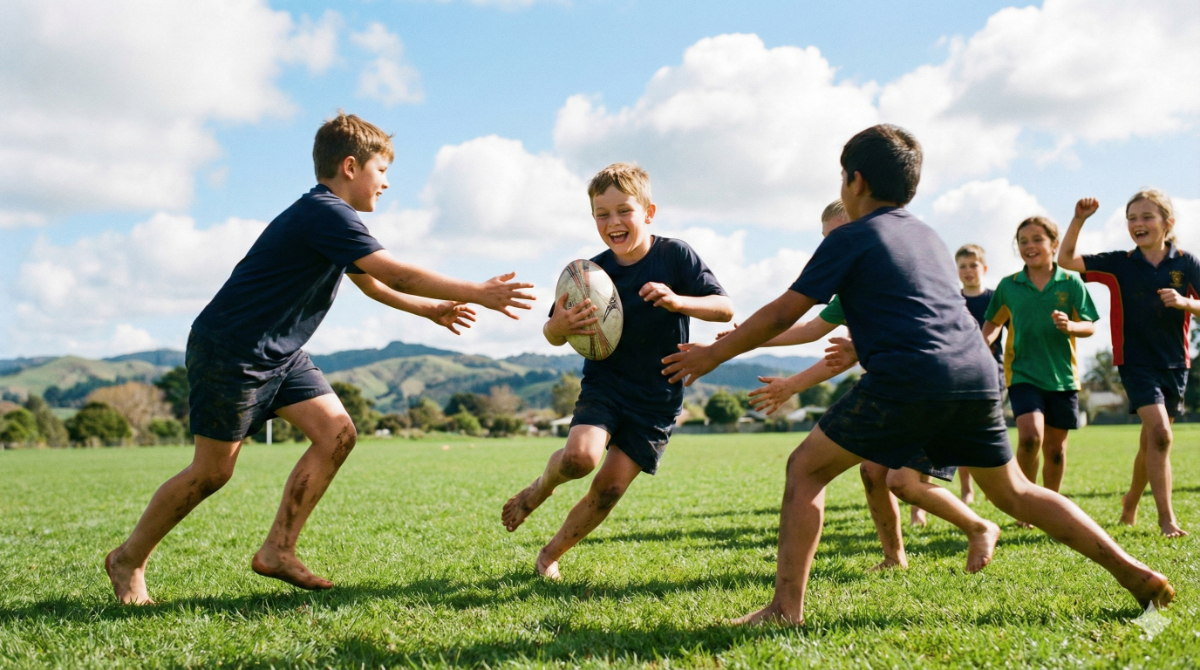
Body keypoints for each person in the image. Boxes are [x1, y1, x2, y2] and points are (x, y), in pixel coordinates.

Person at [663, 124, 1172, 625]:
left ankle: (784, 610)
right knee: (1015, 491)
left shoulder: (851, 237)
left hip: (911, 374)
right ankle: (1131, 572)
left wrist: (714, 355)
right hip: (975, 371)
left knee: (806, 469)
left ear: (854, 181)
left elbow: (783, 313)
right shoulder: (927, 236)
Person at [105, 112, 536, 605]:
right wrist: (477, 290)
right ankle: (128, 559)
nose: (388, 183)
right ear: (350, 167)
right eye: (382, 170)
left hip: (281, 354)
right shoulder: (325, 213)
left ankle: (278, 550)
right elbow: (394, 272)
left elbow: (370, 282)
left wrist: (432, 309)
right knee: (212, 472)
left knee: (338, 433)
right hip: (232, 351)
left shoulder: (331, 221)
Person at [501, 163, 733, 579]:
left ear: (649, 211)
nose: (613, 222)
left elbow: (725, 308)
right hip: (606, 383)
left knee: (608, 490)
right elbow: (551, 332)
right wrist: (559, 326)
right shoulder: (587, 273)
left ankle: (548, 556)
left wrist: (679, 301)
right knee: (579, 458)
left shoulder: (675, 255)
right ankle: (540, 487)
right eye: (602, 214)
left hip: (658, 396)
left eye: (623, 210)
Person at [1058, 191, 1199, 537]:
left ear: (1168, 223)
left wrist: (1186, 302)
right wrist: (1079, 219)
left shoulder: (1186, 263)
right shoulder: (1120, 263)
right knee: (1162, 434)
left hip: (1174, 362)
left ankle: (1130, 501)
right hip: (1134, 361)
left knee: (1151, 440)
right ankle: (1167, 519)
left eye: (1147, 217)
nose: (1138, 223)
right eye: (1132, 218)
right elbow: (1067, 259)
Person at [982, 218, 1098, 498]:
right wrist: (982, 346)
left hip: (1062, 377)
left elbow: (1090, 325)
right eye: (1023, 241)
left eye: (1037, 239)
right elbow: (993, 324)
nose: (1029, 246)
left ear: (1054, 244)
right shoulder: (1009, 286)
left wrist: (1071, 326)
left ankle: (1051, 503)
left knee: (1055, 450)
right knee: (1031, 437)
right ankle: (1027, 500)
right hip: (1022, 373)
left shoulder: (1071, 283)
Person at [955, 244, 1006, 504]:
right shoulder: (952, 301)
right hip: (959, 375)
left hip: (992, 375)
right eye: (962, 266)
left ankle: (996, 486)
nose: (968, 271)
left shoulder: (995, 299)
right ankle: (967, 489)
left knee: (988, 432)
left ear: (983, 268)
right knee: (963, 432)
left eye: (973, 265)